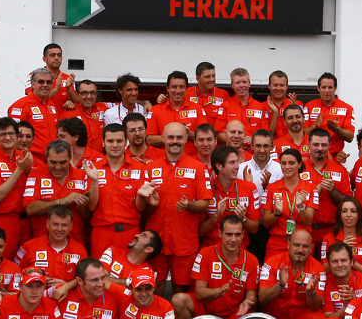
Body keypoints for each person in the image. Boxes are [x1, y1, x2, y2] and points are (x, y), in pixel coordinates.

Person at [142, 123, 213, 296]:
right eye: (171, 137)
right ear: (164, 139)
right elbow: (142, 209)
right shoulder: (150, 168)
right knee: (154, 287)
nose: (175, 141)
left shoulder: (198, 168)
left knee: (181, 291)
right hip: (156, 240)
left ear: (186, 139)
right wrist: (150, 204)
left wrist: (189, 205)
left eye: (179, 137)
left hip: (184, 241)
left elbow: (205, 202)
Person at [175, 215, 259, 319]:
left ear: (243, 235)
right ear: (220, 234)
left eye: (237, 235)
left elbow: (252, 294)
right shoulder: (205, 254)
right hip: (205, 310)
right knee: (178, 300)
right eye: (229, 234)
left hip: (235, 312)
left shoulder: (252, 260)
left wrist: (248, 302)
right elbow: (199, 293)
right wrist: (218, 292)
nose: (233, 239)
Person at [89, 124, 150, 257]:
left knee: (129, 276)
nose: (115, 145)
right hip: (102, 233)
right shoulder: (93, 169)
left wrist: (142, 196)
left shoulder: (140, 169)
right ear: (103, 143)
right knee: (100, 275)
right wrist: (94, 181)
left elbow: (140, 208)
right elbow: (91, 206)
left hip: (130, 233)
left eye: (119, 141)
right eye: (110, 141)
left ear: (126, 142)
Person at [23, 139, 98, 244]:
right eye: (53, 162)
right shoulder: (35, 174)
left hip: (75, 243)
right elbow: (30, 209)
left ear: (70, 158)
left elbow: (88, 216)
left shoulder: (82, 176)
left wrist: (80, 207)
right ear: (46, 158)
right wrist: (62, 201)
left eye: (63, 162)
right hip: (42, 244)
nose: (58, 167)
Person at [259, 229, 328, 319]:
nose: (300, 250)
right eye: (296, 245)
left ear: (311, 248)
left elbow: (316, 307)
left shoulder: (319, 269)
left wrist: (311, 293)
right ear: (288, 244)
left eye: (305, 246)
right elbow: (262, 298)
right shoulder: (272, 262)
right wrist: (280, 285)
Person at [0, 117, 34, 261]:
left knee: (26, 263)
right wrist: (19, 170)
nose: (8, 137)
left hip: (27, 221)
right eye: (2, 134)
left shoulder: (24, 156)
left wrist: (28, 170)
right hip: (3, 220)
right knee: (2, 263)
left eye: (11, 133)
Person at [199, 146, 260, 248]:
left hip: (240, 248)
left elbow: (254, 229)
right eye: (232, 163)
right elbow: (200, 231)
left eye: (237, 162)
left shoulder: (249, 187)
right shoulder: (206, 188)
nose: (237, 166)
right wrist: (216, 215)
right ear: (219, 166)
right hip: (211, 248)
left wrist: (243, 218)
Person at [16, 205, 88, 290]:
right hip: (35, 300)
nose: (59, 229)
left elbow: (86, 283)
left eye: (64, 225)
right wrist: (36, 279)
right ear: (47, 223)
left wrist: (67, 286)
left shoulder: (80, 251)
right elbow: (16, 277)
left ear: (71, 226)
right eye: (55, 224)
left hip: (66, 300)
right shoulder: (28, 247)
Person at [261, 149, 317, 258]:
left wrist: (300, 207)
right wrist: (276, 213)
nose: (287, 167)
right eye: (283, 163)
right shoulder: (271, 188)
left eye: (291, 163)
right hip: (277, 242)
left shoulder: (310, 188)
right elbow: (266, 223)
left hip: (302, 242)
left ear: (299, 164)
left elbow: (308, 221)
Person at [302, 128, 351, 251]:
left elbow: (349, 203)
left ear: (330, 146)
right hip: (305, 230)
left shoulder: (340, 170)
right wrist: (312, 194)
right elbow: (291, 200)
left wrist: (333, 191)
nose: (320, 148)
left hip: (331, 231)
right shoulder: (299, 169)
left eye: (324, 145)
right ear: (308, 146)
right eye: (316, 144)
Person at [321, 242, 362, 319]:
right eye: (335, 261)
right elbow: (329, 317)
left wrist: (354, 302)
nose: (340, 265)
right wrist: (346, 307)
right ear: (329, 264)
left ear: (351, 262)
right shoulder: (325, 282)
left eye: (344, 260)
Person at [147, 71, 205, 156]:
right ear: (168, 88)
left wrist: (188, 134)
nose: (178, 91)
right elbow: (149, 140)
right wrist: (171, 136)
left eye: (181, 87)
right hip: (163, 162)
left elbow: (204, 137)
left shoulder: (197, 109)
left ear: (186, 88)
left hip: (192, 163)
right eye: (174, 87)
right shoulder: (155, 110)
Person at [8, 68, 59, 162]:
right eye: (41, 82)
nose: (45, 85)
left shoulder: (52, 105)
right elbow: (13, 137)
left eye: (48, 82)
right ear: (32, 84)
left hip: (51, 159)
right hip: (30, 159)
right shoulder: (20, 105)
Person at [217, 68, 276, 145]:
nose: (241, 85)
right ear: (232, 85)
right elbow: (219, 134)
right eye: (237, 82)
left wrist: (253, 140)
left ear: (249, 83)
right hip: (231, 153)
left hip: (253, 154)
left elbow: (266, 134)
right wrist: (238, 141)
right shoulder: (225, 106)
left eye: (244, 82)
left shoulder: (260, 107)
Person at [303, 73, 355, 158]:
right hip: (312, 157)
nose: (327, 91)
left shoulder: (347, 108)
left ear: (335, 88)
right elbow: (301, 133)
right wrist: (315, 126)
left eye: (330, 87)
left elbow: (350, 137)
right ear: (318, 88)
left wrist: (335, 128)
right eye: (323, 87)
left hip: (336, 157)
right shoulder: (309, 106)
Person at [321, 197, 362, 274]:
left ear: (359, 215)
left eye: (353, 211)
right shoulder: (328, 239)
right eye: (344, 211)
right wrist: (341, 249)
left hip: (360, 284)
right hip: (335, 283)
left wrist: (351, 260)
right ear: (340, 215)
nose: (348, 215)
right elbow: (325, 271)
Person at [59, 80, 107, 154]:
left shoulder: (103, 108)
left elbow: (124, 106)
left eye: (92, 93)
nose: (89, 96)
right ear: (78, 94)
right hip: (78, 160)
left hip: (99, 160)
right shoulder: (67, 115)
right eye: (84, 93)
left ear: (96, 95)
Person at [25, 43, 77, 110]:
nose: (56, 58)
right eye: (52, 55)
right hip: (41, 117)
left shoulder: (68, 78)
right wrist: (56, 89)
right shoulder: (34, 75)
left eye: (59, 55)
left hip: (62, 119)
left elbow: (76, 101)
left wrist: (69, 88)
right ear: (44, 59)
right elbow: (33, 100)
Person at [238, 129, 283, 199]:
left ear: (272, 147)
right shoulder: (241, 169)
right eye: (258, 146)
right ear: (251, 146)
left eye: (266, 146)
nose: (262, 150)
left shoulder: (280, 170)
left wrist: (268, 187)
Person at [267, 70, 305, 139]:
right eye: (275, 85)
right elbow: (268, 136)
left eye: (282, 85)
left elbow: (301, 132)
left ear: (287, 87)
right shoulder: (262, 106)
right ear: (269, 86)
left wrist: (293, 109)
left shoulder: (298, 104)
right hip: (272, 147)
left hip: (292, 146)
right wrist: (275, 114)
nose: (278, 88)